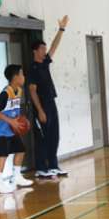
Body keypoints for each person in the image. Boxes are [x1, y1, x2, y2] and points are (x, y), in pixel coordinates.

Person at [28, 16, 70, 179]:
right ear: (35, 51)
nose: (45, 51)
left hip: (51, 102)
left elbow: (54, 46)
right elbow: (32, 91)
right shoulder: (32, 68)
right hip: (41, 106)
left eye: (45, 49)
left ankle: (53, 165)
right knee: (43, 138)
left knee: (54, 136)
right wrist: (40, 110)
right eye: (42, 49)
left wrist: (61, 29)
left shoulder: (44, 63)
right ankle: (41, 168)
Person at [0, 64, 33, 194]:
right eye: (22, 74)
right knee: (2, 155)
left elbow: (14, 110)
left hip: (10, 128)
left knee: (21, 150)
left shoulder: (18, 91)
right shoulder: (5, 93)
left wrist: (21, 120)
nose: (24, 77)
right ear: (15, 77)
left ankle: (16, 177)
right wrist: (11, 121)